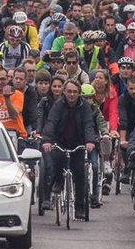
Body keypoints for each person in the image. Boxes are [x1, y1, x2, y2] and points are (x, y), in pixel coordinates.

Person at [42, 78, 98, 219]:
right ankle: (55, 186)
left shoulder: (84, 106)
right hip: (60, 141)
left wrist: (90, 141)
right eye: (69, 91)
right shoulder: (58, 105)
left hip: (77, 143)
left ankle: (79, 207)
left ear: (79, 93)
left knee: (80, 173)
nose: (71, 95)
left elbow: (88, 124)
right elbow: (51, 122)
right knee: (57, 160)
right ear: (64, 92)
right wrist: (47, 140)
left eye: (74, 92)